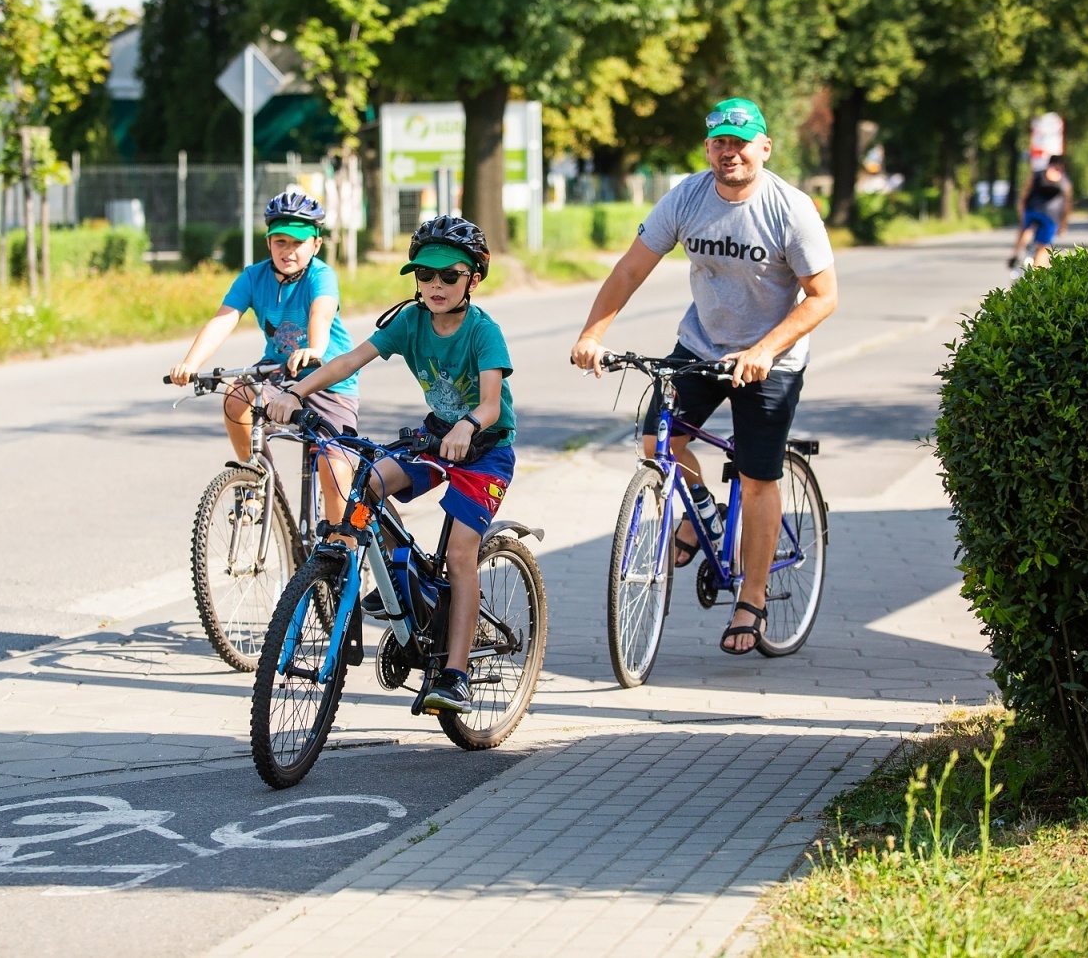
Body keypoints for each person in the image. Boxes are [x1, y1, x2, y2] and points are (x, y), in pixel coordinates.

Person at [569, 97, 838, 656]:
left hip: (772, 356)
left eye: (741, 142)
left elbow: (823, 297)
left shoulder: (791, 210)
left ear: (764, 147)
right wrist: (592, 333)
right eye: (720, 141)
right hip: (701, 346)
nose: (729, 151)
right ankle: (705, 519)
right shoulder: (688, 197)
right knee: (656, 441)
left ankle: (753, 599)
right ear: (708, 148)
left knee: (758, 475)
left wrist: (764, 348)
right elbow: (631, 268)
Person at [266, 216, 515, 714]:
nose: (435, 285)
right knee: (367, 485)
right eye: (425, 275)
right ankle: (404, 585)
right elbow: (347, 361)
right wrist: (295, 391)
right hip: (435, 439)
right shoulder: (410, 321)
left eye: (449, 276)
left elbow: (490, 403)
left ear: (474, 278)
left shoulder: (483, 332)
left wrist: (468, 425)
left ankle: (456, 674)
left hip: (485, 450)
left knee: (463, 553)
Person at [169, 190, 358, 524]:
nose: (288, 251)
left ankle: (338, 552)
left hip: (327, 379)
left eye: (298, 243)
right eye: (280, 241)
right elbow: (223, 318)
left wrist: (314, 348)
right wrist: (191, 363)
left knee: (335, 471)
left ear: (315, 244)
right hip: (279, 373)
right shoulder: (253, 277)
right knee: (237, 395)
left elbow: (321, 312)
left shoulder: (321, 275)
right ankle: (257, 484)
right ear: (268, 242)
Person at [1008, 154, 1073, 272]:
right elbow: (1067, 205)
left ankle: (1015, 254)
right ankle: (1037, 274)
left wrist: (1021, 208)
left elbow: (1025, 192)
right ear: (1062, 166)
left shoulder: (1038, 174)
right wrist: (1063, 223)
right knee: (1043, 247)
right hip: (1051, 216)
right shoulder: (1065, 182)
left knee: (1025, 230)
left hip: (1032, 209)